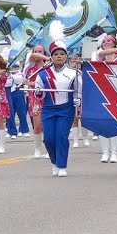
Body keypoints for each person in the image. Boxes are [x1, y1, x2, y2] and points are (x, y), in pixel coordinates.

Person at [32, 40, 81, 177]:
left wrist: (78, 99)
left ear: (66, 56)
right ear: (51, 57)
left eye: (62, 54)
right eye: (56, 54)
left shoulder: (73, 73)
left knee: (61, 136)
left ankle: (61, 165)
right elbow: (38, 94)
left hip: (66, 109)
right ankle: (54, 162)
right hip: (48, 108)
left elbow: (79, 90)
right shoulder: (42, 74)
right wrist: (39, 92)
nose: (59, 56)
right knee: (48, 138)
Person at [92, 35, 117, 163]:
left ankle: (114, 153)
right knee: (103, 123)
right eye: (105, 41)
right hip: (101, 91)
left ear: (115, 42)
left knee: (116, 122)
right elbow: (103, 52)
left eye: (109, 40)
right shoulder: (98, 55)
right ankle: (105, 153)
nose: (107, 42)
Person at [22, 46, 48, 159]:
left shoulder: (49, 67)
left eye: (40, 51)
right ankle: (37, 149)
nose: (37, 54)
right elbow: (27, 82)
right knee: (37, 125)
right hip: (35, 98)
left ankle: (48, 149)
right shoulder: (30, 66)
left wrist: (31, 83)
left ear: (44, 52)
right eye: (35, 51)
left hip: (48, 98)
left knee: (47, 126)